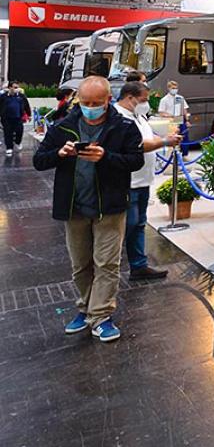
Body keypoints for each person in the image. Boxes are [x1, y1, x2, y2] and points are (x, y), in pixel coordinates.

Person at [33, 76, 144, 342]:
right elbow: (39, 160)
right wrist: (59, 153)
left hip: (110, 207)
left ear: (108, 100)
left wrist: (105, 157)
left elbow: (135, 160)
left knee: (107, 264)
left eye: (96, 102)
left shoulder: (123, 127)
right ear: (78, 100)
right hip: (74, 207)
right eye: (86, 102)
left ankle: (101, 315)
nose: (90, 107)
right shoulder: (63, 126)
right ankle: (85, 308)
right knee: (80, 264)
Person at [116, 82, 181, 281]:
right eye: (143, 100)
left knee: (138, 224)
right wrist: (164, 142)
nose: (146, 104)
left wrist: (164, 136)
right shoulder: (118, 117)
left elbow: (147, 136)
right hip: (128, 182)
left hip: (143, 180)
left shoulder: (138, 116)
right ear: (130, 97)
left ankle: (139, 265)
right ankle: (112, 267)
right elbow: (135, 145)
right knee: (128, 225)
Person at [159, 81, 191, 155]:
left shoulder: (180, 98)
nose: (175, 90)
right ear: (169, 88)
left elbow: (184, 110)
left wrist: (187, 120)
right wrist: (171, 116)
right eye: (173, 88)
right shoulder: (164, 100)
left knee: (184, 136)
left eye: (176, 88)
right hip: (171, 121)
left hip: (180, 119)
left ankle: (184, 153)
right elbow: (161, 112)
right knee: (173, 137)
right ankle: (173, 154)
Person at [1, 81, 32, 156]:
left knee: (19, 131)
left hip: (18, 118)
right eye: (14, 87)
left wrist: (29, 115)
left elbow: (26, 105)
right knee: (8, 133)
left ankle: (17, 142)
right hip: (6, 118)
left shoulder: (21, 96)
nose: (16, 89)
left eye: (17, 87)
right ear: (9, 88)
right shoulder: (3, 96)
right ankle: (9, 147)